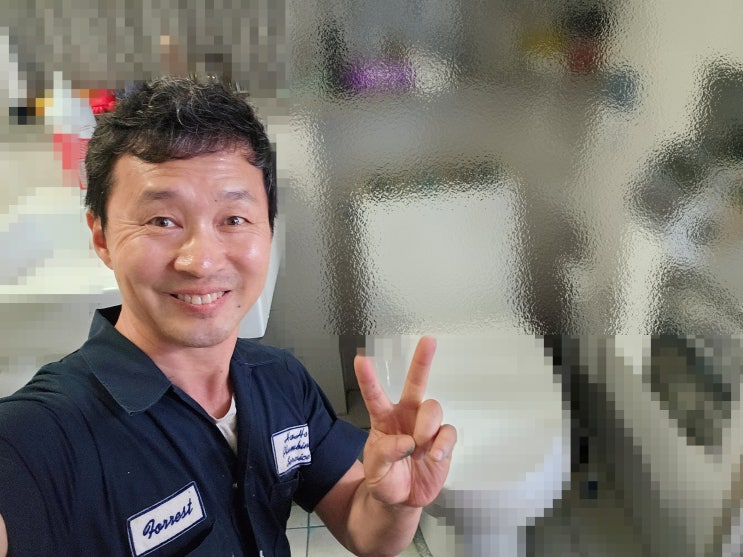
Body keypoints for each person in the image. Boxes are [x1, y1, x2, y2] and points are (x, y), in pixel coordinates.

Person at [0, 77, 456, 557]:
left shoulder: (282, 381)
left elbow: (364, 530)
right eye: (161, 221)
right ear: (101, 237)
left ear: (268, 230)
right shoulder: (46, 435)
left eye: (233, 219)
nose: (201, 261)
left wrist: (396, 504)